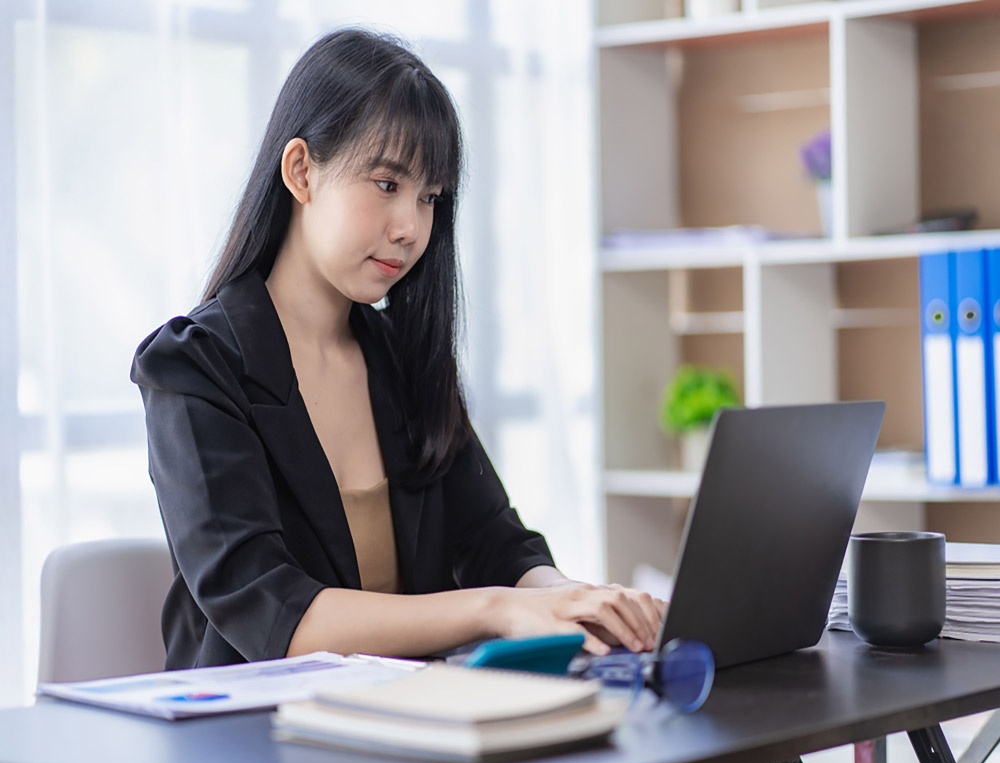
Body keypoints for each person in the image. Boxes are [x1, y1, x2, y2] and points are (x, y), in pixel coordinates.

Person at [131, 28, 664, 671]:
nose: (410, 227)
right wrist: (496, 610)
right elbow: (275, 613)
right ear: (302, 171)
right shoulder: (194, 365)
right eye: (386, 184)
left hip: (405, 720)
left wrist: (573, 601)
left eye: (429, 198)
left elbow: (496, 543)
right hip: (254, 735)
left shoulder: (401, 358)